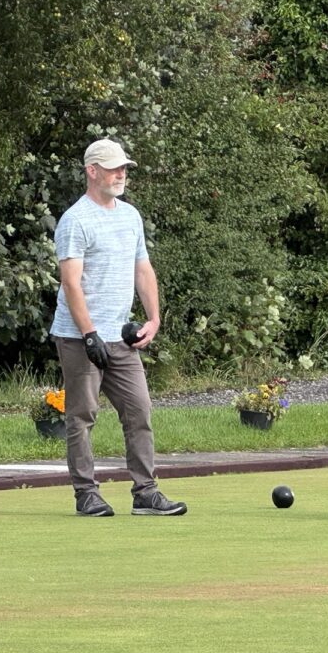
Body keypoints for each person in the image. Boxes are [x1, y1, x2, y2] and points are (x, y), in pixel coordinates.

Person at [50, 138, 187, 518]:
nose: (121, 173)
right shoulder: (74, 220)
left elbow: (142, 268)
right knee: (82, 414)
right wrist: (89, 332)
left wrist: (154, 318)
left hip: (121, 337)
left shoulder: (130, 216)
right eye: (113, 168)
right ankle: (85, 494)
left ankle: (145, 492)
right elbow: (71, 283)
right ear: (92, 171)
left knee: (139, 410)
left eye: (123, 167)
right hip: (81, 338)